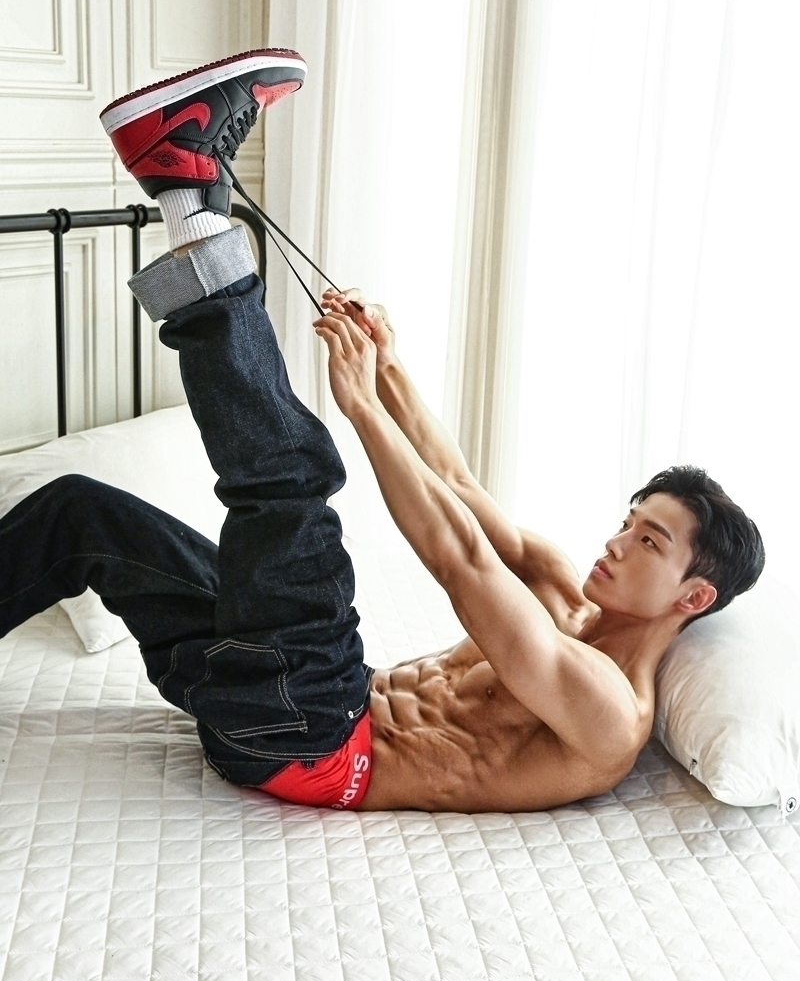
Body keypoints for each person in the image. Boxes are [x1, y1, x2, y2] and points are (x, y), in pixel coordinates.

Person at [0, 51, 765, 812]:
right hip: (266, 693)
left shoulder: (611, 713)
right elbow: (458, 485)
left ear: (694, 596)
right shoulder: (560, 588)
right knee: (81, 513)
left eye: (648, 542)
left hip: (312, 740)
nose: (617, 543)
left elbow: (460, 561)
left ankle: (187, 188)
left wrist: (362, 408)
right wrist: (389, 368)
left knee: (293, 476)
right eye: (629, 524)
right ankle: (181, 185)